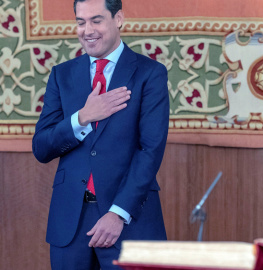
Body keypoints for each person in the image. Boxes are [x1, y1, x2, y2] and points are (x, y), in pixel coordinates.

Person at [32, 0, 169, 269]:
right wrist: (82, 117)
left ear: (118, 19)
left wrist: (118, 214)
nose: (87, 30)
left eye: (96, 20)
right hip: (70, 221)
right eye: (80, 22)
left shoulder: (150, 73)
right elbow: (41, 147)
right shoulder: (62, 75)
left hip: (129, 219)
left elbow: (150, 149)